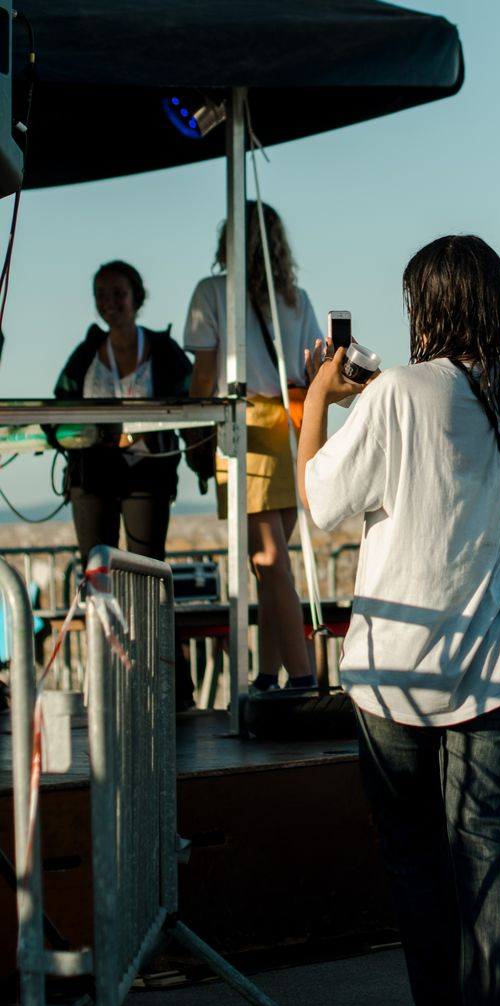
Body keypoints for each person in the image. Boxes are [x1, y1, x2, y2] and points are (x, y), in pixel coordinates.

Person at [298, 235, 500, 1006]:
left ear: (424, 305)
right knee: (489, 852)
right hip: (494, 662)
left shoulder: (396, 393)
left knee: (413, 858)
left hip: (397, 668)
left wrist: (316, 402)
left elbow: (324, 502)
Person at [184, 202, 321, 691]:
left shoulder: (212, 294)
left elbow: (204, 375)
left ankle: (303, 675)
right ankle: (269, 672)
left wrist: (196, 434)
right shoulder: (295, 298)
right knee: (272, 561)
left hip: (244, 427)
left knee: (267, 561)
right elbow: (312, 371)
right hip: (289, 428)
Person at [54, 260, 194, 707]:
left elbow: (192, 401)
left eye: (117, 293)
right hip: (92, 477)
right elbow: (57, 410)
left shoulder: (162, 348)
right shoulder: (85, 352)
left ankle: (168, 689)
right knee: (97, 578)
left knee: (148, 574)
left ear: (136, 297)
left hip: (147, 475)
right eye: (101, 294)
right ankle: (107, 684)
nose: (109, 302)